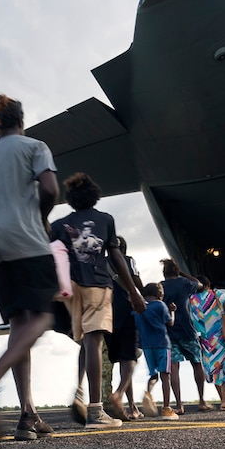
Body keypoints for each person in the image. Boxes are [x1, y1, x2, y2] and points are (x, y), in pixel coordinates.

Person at [0, 94, 59, 440]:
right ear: (22, 120)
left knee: (20, 327)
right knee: (46, 317)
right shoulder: (35, 147)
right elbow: (50, 187)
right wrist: (40, 217)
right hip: (27, 242)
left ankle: (27, 414)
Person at [51, 172, 146, 429]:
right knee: (94, 342)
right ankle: (95, 411)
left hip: (70, 290)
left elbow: (53, 257)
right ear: (95, 196)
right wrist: (134, 292)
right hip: (97, 285)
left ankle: (80, 390)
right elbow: (115, 257)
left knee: (84, 344)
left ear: (70, 199)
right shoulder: (105, 220)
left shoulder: (59, 225)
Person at [104, 236, 145, 421]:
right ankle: (119, 394)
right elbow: (137, 282)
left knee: (121, 360)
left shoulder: (101, 263)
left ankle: (131, 407)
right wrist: (143, 297)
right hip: (127, 312)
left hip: (107, 315)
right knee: (131, 358)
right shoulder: (129, 261)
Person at [158, 259, 206, 413]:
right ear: (176, 271)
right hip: (187, 329)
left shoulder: (160, 286)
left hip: (169, 330)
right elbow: (199, 284)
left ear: (164, 273)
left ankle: (179, 405)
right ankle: (202, 400)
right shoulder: (185, 283)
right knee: (197, 363)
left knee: (173, 368)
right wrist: (183, 274)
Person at [190, 276, 225, 411]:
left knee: (215, 369)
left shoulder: (191, 300)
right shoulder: (217, 294)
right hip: (221, 337)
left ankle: (222, 399)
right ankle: (224, 401)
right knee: (224, 368)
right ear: (208, 284)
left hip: (204, 340)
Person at [134, 283, 180, 420]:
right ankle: (166, 408)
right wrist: (172, 311)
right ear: (160, 295)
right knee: (165, 375)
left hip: (147, 346)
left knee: (153, 375)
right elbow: (170, 322)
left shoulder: (139, 308)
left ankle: (148, 394)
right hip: (162, 344)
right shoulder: (160, 305)